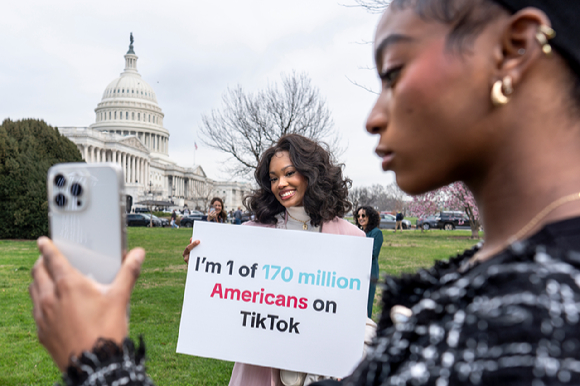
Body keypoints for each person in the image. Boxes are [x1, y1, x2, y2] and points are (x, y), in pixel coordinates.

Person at [28, 0, 580, 384]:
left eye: (393, 72)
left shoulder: (537, 318)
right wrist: (223, 275)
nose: (372, 117)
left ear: (512, 52)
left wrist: (96, 359)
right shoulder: (488, 296)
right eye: (273, 176)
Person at [184, 134, 365, 386]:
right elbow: (227, 295)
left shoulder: (351, 237)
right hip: (260, 371)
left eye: (289, 173)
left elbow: (351, 314)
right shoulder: (251, 233)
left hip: (321, 371)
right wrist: (201, 262)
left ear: (311, 173)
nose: (281, 183)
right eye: (273, 178)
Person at [354, 206, 383, 318]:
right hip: (358, 271)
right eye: (358, 216)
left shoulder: (377, 233)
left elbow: (373, 254)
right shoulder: (358, 232)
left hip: (370, 272)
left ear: (370, 217)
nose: (360, 218)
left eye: (363, 215)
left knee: (367, 302)